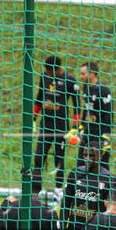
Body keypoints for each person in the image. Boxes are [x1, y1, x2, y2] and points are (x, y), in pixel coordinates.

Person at [32, 55, 81, 198]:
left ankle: (58, 190)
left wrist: (75, 127)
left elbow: (77, 104)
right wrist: (34, 119)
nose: (47, 73)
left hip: (61, 127)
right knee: (39, 157)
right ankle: (36, 189)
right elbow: (39, 98)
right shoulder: (44, 77)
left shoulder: (70, 81)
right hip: (46, 125)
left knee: (58, 159)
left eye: (49, 71)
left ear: (57, 69)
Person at [77, 61, 113, 170]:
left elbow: (109, 115)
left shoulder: (103, 91)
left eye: (83, 74)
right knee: (81, 164)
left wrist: (106, 137)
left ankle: (105, 186)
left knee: (101, 166)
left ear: (92, 74)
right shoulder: (86, 88)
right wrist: (81, 127)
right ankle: (80, 186)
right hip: (87, 133)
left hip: (99, 134)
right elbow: (86, 108)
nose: (81, 77)